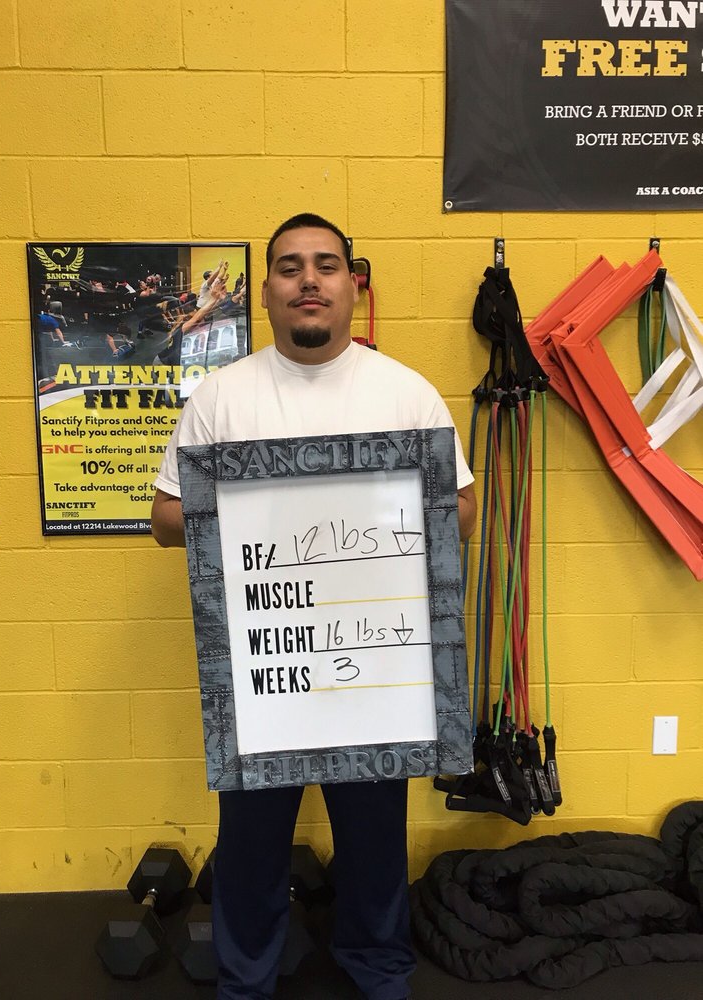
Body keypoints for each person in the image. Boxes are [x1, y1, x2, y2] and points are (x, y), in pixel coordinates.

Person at [151, 214, 476, 1000]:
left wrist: (363, 512)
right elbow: (164, 520)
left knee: (374, 842)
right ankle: (245, 980)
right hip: (265, 666)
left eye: (326, 265)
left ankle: (379, 968)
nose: (308, 280)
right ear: (265, 290)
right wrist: (262, 509)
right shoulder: (222, 399)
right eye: (290, 266)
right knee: (251, 845)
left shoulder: (405, 392)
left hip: (375, 666)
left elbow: (462, 512)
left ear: (352, 286)